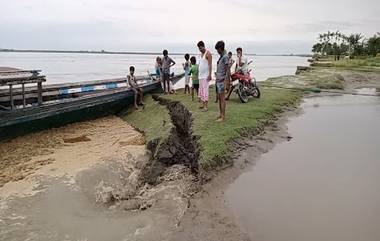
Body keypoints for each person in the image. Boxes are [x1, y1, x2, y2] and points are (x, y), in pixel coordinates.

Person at [215, 41, 229, 122]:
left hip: (222, 81)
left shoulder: (225, 57)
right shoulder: (221, 56)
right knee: (220, 99)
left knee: (222, 99)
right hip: (218, 80)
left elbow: (227, 70)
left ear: (221, 48)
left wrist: (226, 82)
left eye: (217, 49)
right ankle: (220, 114)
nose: (217, 51)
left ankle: (223, 116)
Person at [197, 41, 212, 111]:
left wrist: (210, 75)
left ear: (203, 46)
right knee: (202, 91)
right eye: (199, 48)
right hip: (200, 76)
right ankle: (203, 105)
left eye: (200, 48)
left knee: (205, 91)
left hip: (205, 76)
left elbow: (210, 65)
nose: (200, 49)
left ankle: (206, 107)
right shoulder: (201, 54)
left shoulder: (208, 53)